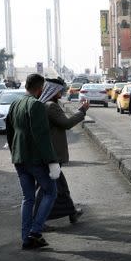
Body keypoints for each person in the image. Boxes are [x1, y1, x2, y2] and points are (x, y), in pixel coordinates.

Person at [5, 73, 60, 250]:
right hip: (35, 158)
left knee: (28, 198)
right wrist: (52, 161)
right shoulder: (36, 105)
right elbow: (41, 136)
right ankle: (35, 231)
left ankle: (26, 238)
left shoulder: (15, 103)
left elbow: (10, 132)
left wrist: (14, 153)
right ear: (39, 88)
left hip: (19, 157)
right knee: (51, 191)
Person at [34, 77, 88, 224]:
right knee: (47, 189)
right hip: (52, 155)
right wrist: (82, 111)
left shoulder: (44, 104)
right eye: (60, 90)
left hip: (48, 154)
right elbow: (67, 123)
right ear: (53, 90)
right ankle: (38, 220)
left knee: (61, 186)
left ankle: (71, 212)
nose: (62, 92)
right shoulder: (51, 106)